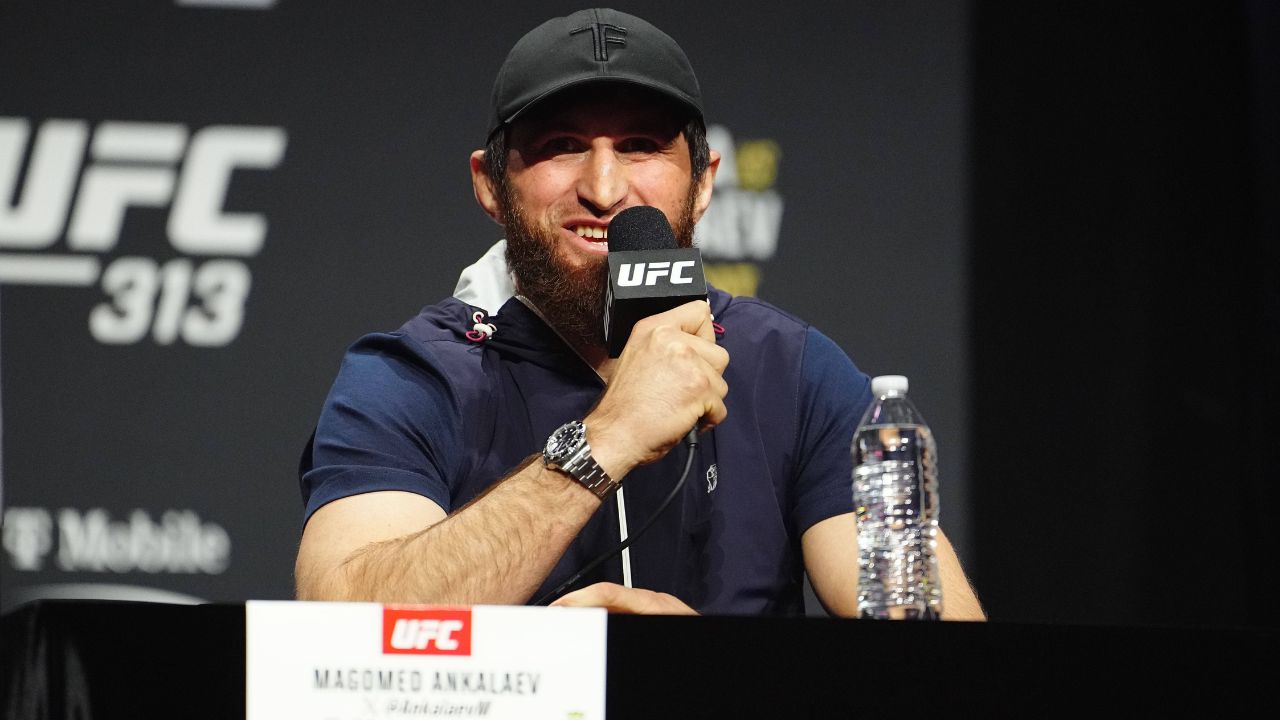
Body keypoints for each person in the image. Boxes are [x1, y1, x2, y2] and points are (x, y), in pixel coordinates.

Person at [295, 8, 984, 619]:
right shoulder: (412, 376)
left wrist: (691, 675)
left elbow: (934, 651)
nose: (603, 188)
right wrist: (607, 437)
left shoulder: (793, 370)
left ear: (706, 179)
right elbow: (342, 630)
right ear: (491, 185)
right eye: (561, 146)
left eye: (641, 146)